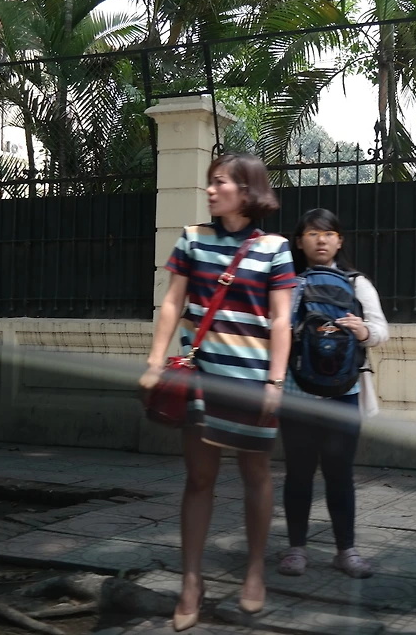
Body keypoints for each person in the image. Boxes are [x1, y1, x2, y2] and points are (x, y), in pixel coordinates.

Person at [139, 152, 296, 632]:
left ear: (247, 191)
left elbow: (282, 320)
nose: (210, 189)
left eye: (220, 182)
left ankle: (254, 571)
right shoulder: (192, 238)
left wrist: (276, 381)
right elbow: (172, 302)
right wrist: (155, 361)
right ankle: (191, 581)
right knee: (199, 479)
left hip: (253, 383)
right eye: (210, 182)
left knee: (256, 476)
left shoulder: (275, 248)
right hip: (201, 379)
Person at [277, 208, 389, 579]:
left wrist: (362, 330)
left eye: (328, 233)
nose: (321, 240)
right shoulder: (288, 282)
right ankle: (296, 549)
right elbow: (274, 330)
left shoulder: (357, 283)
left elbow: (381, 331)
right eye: (312, 233)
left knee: (339, 473)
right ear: (299, 241)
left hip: (345, 390)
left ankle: (346, 551)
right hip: (296, 390)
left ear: (340, 240)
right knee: (298, 473)